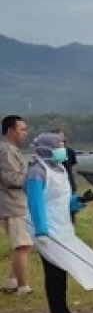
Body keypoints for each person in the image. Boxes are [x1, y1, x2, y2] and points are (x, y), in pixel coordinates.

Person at [25, 133, 92, 313]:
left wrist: (79, 201)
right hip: (47, 229)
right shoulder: (36, 172)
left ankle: (61, 310)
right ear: (48, 148)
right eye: (59, 145)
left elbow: (62, 200)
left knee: (61, 269)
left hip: (62, 226)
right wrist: (41, 230)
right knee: (54, 271)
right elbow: (35, 203)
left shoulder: (60, 169)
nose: (63, 148)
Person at [0, 115, 33, 294]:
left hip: (17, 203)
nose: (25, 133)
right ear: (10, 130)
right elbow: (11, 178)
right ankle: (23, 286)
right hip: (11, 204)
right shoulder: (6, 151)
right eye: (22, 129)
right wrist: (32, 178)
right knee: (22, 245)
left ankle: (12, 281)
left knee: (24, 244)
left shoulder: (11, 149)